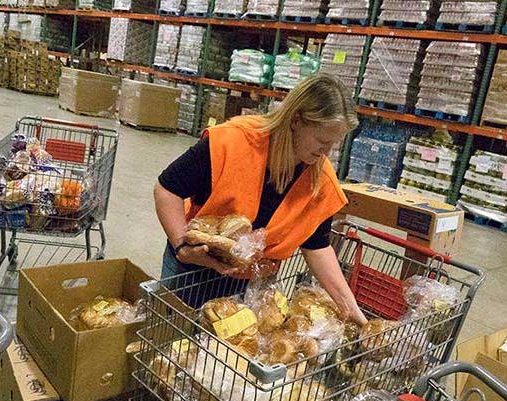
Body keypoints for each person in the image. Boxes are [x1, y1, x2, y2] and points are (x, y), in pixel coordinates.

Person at [153, 74, 367, 325]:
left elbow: (317, 246)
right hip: (191, 271)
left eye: (334, 144)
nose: (326, 152)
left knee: (223, 357)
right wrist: (182, 247)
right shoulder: (232, 142)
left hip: (251, 285)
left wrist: (355, 315)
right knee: (172, 341)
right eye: (322, 140)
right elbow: (167, 189)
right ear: (296, 119)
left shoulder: (320, 179)